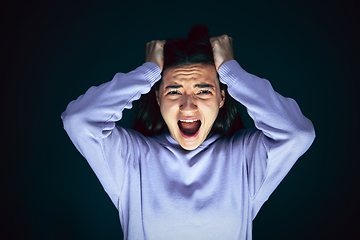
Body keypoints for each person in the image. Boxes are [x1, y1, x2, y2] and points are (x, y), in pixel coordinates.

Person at [61, 24, 315, 240]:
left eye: (204, 91)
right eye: (173, 91)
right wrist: (147, 72)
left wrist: (230, 70)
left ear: (222, 98)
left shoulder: (244, 158)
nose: (188, 105)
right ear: (158, 99)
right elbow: (79, 119)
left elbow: (297, 133)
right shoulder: (131, 159)